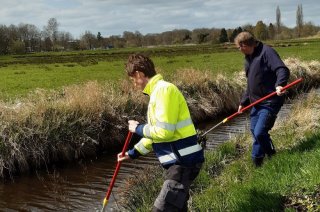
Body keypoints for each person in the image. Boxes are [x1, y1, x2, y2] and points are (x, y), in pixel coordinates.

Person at [118, 53, 204, 211]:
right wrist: (132, 153)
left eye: (132, 80)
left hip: (183, 163)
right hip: (178, 163)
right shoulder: (156, 93)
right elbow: (154, 135)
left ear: (139, 74)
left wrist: (137, 128)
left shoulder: (163, 91)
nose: (134, 84)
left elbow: (164, 132)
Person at [235, 31, 290, 167]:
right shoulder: (248, 58)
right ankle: (257, 162)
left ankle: (272, 156)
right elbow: (250, 84)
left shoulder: (267, 52)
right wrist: (243, 102)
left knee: (260, 132)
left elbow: (282, 70)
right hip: (256, 103)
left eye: (239, 47)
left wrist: (280, 85)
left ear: (245, 45)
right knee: (255, 132)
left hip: (270, 101)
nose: (238, 50)